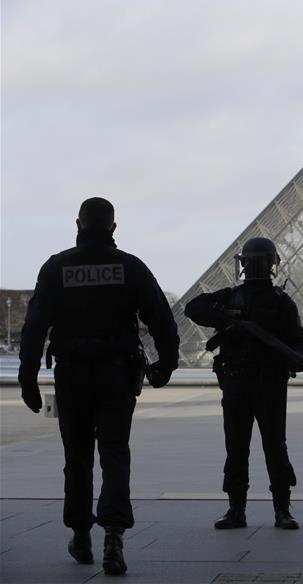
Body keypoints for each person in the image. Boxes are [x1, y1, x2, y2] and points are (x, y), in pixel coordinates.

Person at [18, 197, 179, 576]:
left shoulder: (57, 267)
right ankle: (114, 536)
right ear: (113, 228)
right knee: (114, 453)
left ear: (78, 223)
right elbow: (161, 319)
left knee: (76, 457)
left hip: (72, 374)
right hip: (116, 374)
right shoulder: (131, 267)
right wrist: (165, 365)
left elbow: (35, 326)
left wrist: (27, 377)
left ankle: (81, 534)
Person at [184, 237, 303, 531]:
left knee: (247, 447)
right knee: (264, 446)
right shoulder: (248, 299)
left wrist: (297, 357)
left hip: (251, 382)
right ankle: (273, 510)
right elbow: (194, 308)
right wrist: (229, 321)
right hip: (251, 382)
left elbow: (296, 343)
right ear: (273, 263)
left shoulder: (250, 298)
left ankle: (243, 509)